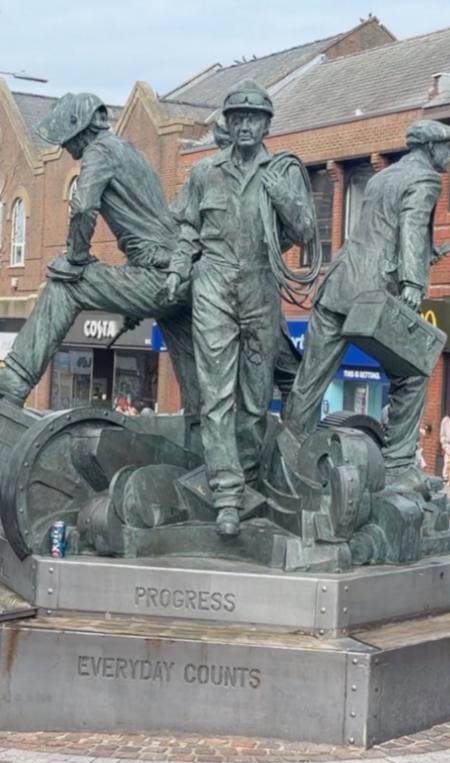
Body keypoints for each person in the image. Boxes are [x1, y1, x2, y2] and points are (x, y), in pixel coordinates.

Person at [166, 79, 316, 536]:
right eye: (238, 118)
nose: (246, 125)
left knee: (255, 397)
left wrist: (282, 195)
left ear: (266, 123)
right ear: (228, 124)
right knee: (216, 395)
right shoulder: (204, 173)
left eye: (254, 118)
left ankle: (249, 477)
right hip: (212, 282)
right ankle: (227, 493)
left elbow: (305, 231)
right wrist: (177, 270)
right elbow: (187, 230)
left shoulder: (284, 171)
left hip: (259, 284)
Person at [0, 92, 198, 422]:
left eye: (66, 140)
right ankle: (202, 434)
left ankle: (13, 382)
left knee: (65, 287)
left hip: (159, 276)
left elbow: (83, 208)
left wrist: (76, 259)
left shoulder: (100, 151)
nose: (66, 149)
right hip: (178, 280)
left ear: (80, 129)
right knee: (200, 404)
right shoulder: (127, 151)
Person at [285, 119, 450, 491]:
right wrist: (412, 281)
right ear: (429, 148)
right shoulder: (426, 179)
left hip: (339, 284)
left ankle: (283, 459)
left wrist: (428, 255)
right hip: (374, 294)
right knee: (413, 372)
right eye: (447, 147)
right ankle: (397, 470)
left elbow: (380, 230)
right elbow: (409, 227)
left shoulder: (384, 177)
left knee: (310, 379)